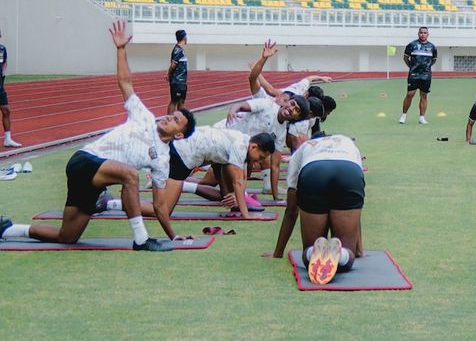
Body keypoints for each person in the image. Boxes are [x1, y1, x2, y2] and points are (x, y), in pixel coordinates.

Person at [0, 21, 196, 251]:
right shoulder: (144, 116)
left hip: (94, 183)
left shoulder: (162, 160)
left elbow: (160, 206)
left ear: (179, 135)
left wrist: (173, 236)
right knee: (130, 175)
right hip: (84, 161)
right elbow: (125, 82)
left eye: (175, 120)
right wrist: (121, 49)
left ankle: (7, 229)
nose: (168, 117)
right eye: (171, 115)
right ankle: (141, 240)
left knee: (67, 236)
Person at [100, 129, 277, 220]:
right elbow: (239, 182)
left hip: (182, 151)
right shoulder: (240, 146)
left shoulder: (242, 141)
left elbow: (226, 168)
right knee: (162, 210)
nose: (258, 161)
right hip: (181, 156)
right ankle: (109, 203)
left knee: (225, 188)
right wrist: (246, 215)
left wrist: (231, 196)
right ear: (253, 147)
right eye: (260, 157)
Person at [268, 132, 366, 285]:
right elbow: (356, 207)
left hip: (314, 172)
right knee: (348, 253)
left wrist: (278, 253)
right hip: (348, 171)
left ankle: (312, 251)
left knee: (310, 255)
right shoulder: (347, 142)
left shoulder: (304, 148)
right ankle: (342, 255)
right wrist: (358, 250)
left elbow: (292, 210)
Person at [400, 27, 436, 125]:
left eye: (425, 33)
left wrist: (426, 68)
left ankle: (422, 117)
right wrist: (412, 67)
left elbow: (433, 60)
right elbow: (405, 58)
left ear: (428, 34)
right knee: (410, 94)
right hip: (414, 74)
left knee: (424, 96)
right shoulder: (411, 45)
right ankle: (403, 115)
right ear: (418, 34)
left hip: (426, 75)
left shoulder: (432, 47)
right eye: (421, 32)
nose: (423, 34)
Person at [0, 29, 21, 147]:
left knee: (6, 110)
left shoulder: (2, 49)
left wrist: (3, 72)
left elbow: (4, 62)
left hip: (0, 87)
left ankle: (7, 139)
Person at [166, 29, 188, 115]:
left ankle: (184, 119)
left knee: (181, 102)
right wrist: (168, 74)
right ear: (184, 37)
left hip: (182, 82)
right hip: (177, 81)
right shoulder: (177, 50)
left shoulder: (181, 50)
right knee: (174, 101)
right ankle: (169, 118)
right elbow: (173, 65)